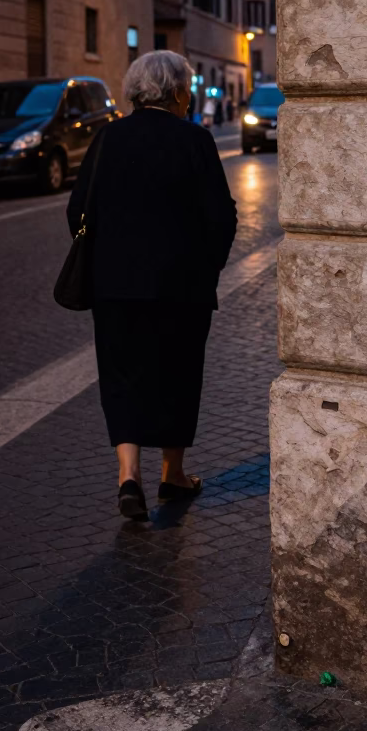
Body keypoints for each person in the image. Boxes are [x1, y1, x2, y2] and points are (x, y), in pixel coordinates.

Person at [67, 50, 237, 520]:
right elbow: (221, 218)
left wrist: (109, 258)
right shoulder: (195, 140)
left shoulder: (107, 139)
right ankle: (172, 474)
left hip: (115, 286)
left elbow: (77, 210)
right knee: (178, 374)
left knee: (122, 374)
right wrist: (208, 269)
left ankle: (129, 477)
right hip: (182, 286)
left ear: (136, 92)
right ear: (179, 92)